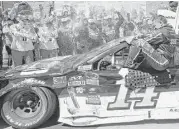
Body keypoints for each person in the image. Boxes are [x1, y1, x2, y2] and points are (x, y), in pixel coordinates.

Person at [9, 2, 38, 66]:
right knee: (17, 67)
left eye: (26, 14)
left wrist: (35, 37)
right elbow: (16, 33)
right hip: (17, 49)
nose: (25, 18)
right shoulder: (13, 26)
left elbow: (34, 36)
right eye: (23, 14)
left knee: (30, 66)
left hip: (28, 49)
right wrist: (27, 35)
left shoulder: (30, 26)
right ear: (17, 18)